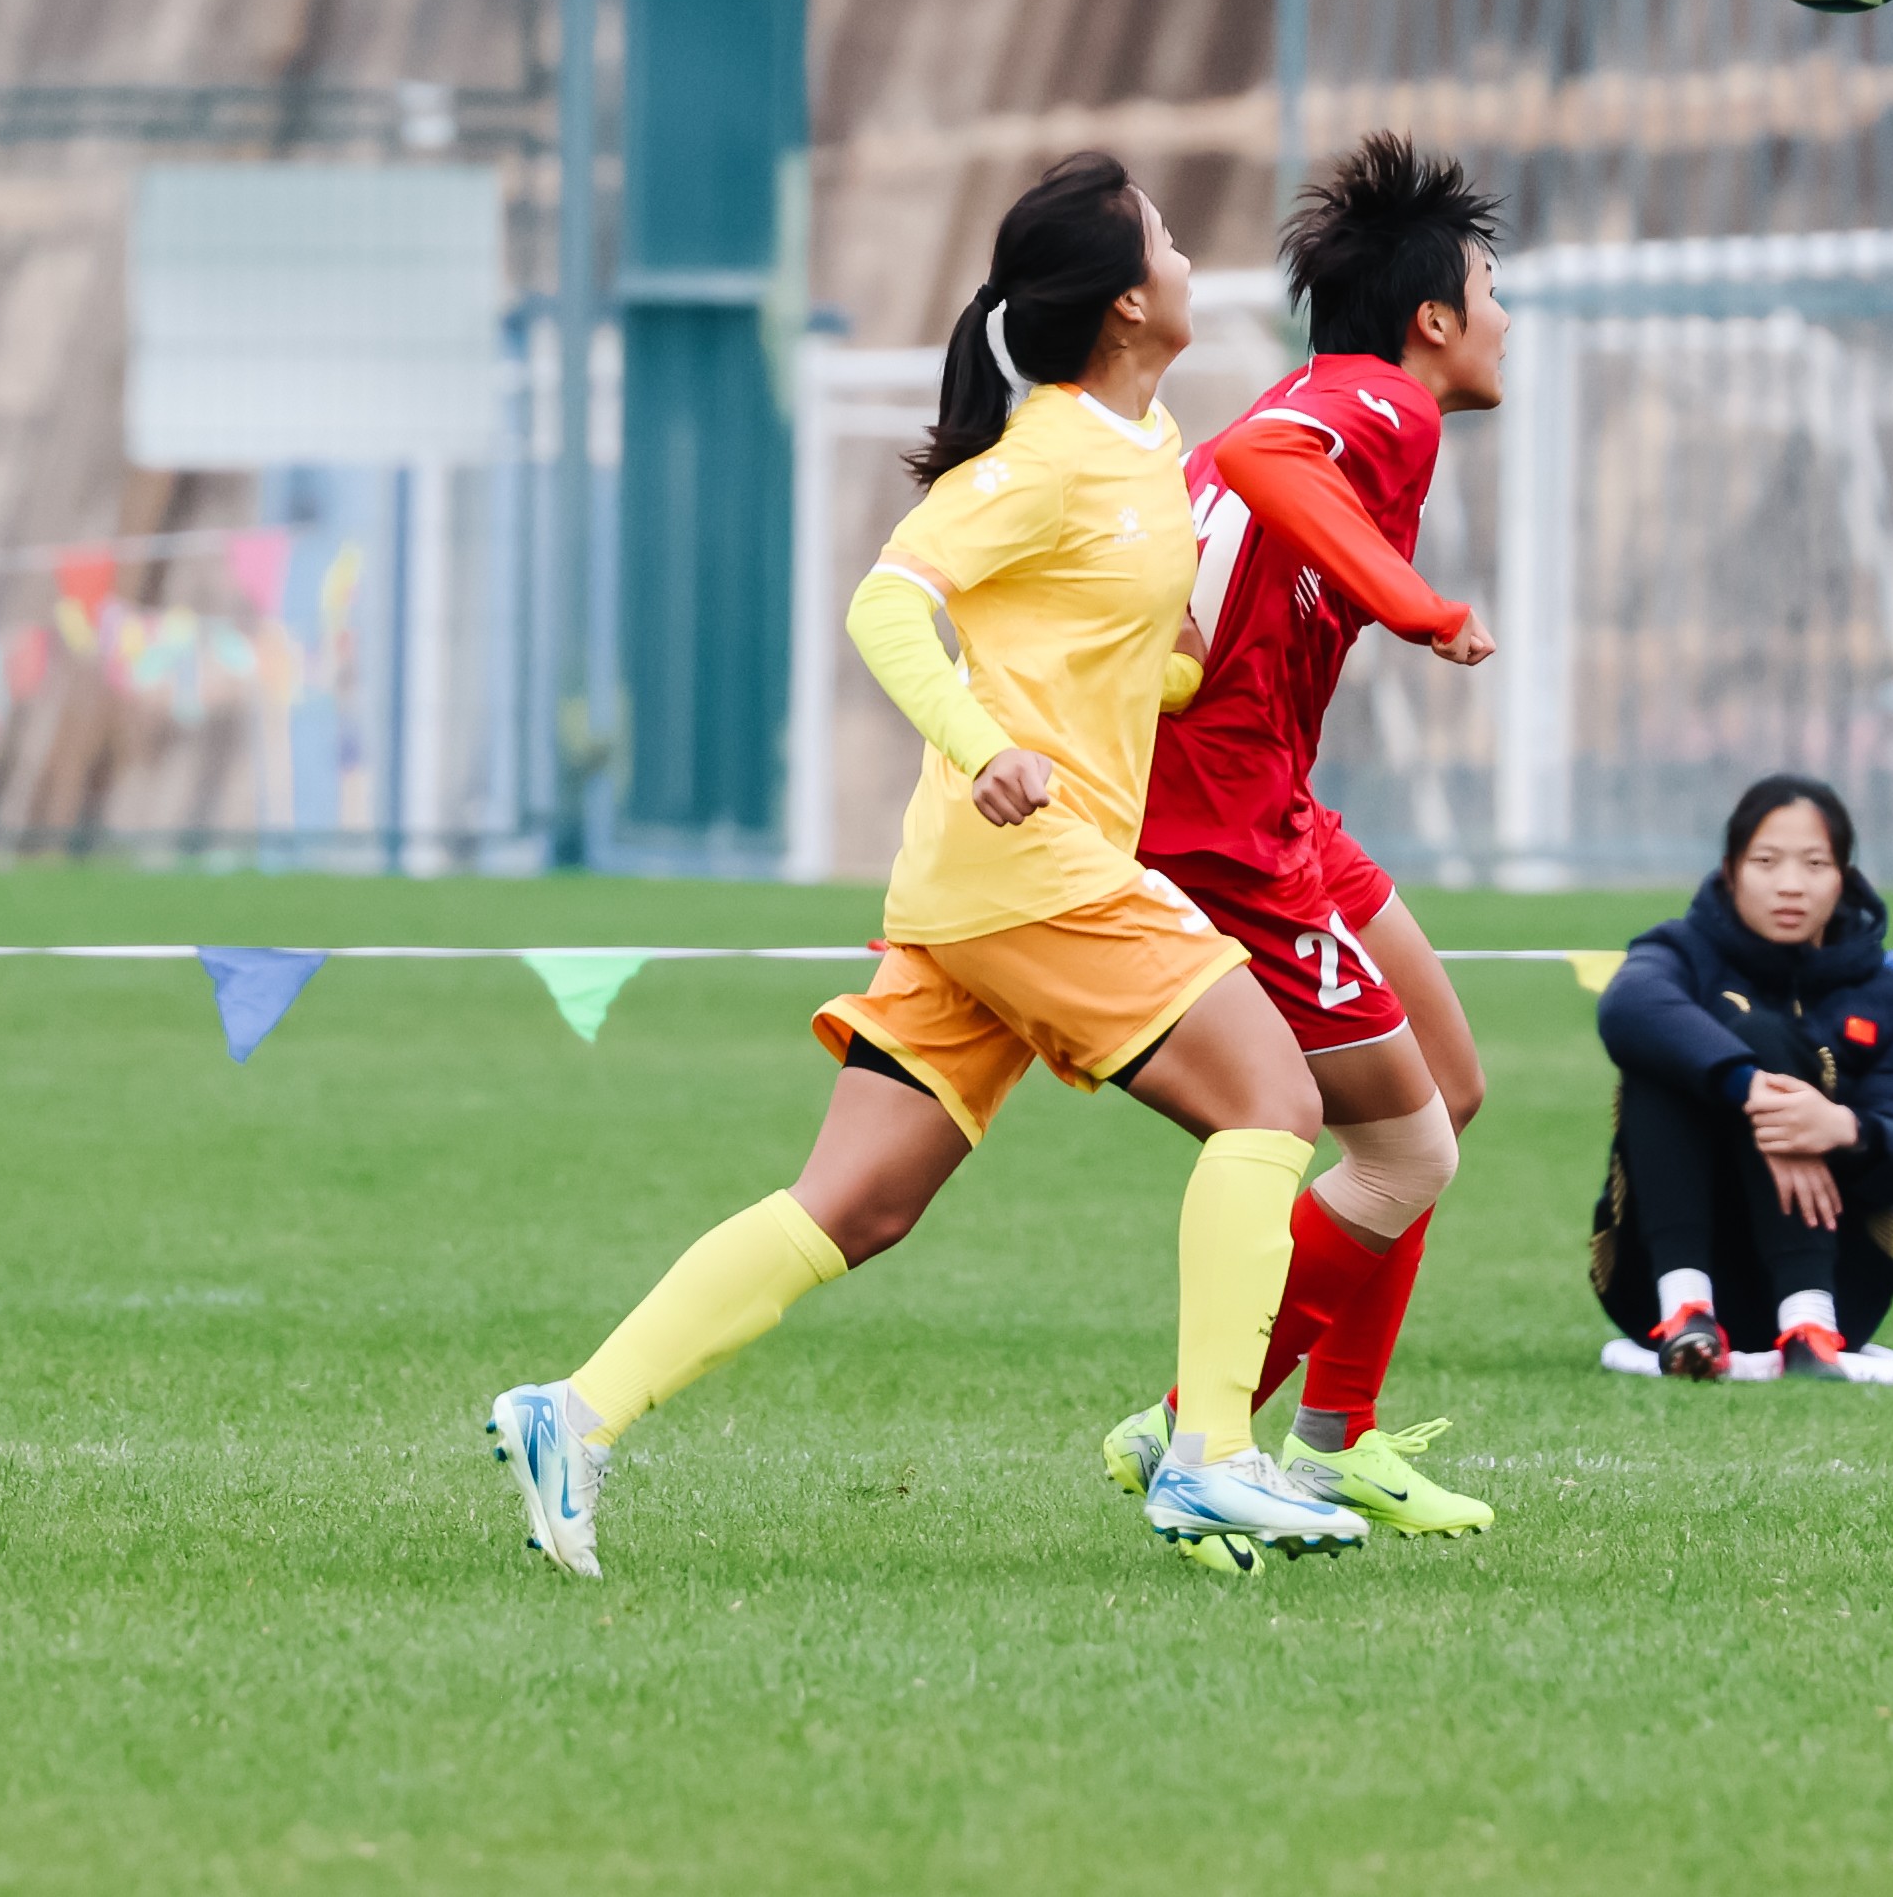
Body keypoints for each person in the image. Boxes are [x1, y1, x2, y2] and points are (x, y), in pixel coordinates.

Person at [487, 153, 1364, 1580]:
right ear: (1127, 300)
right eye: (1165, 238)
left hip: (973, 891)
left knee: (856, 1203)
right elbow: (886, 605)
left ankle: (568, 1413)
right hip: (1033, 866)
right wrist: (983, 740)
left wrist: (1223, 657)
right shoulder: (1045, 453)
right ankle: (1209, 1452)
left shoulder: (1146, 453)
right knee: (1272, 1094)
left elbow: (1121, 655)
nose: (1191, 255)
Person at [1095, 134, 1510, 1534]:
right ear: (1433, 318)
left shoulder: (1333, 390)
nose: (1506, 317)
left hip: (1269, 795)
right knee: (1403, 1152)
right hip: (1218, 825)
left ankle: (1332, 1440)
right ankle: (1188, 1431)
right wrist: (1416, 602)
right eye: (1490, 290)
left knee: (1447, 1088)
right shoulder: (1382, 403)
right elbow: (1260, 456)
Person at [1590, 774, 1893, 1379]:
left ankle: (1810, 1324)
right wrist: (1754, 1090)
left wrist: (1837, 1128)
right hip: (1649, 1283)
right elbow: (1627, 1005)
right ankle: (1686, 1309)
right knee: (1682, 1051)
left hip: (1844, 1283)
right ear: (1730, 870)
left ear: (1845, 877)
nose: (1790, 885)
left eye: (1814, 863)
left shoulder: (1889, 996)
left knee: (1767, 1039)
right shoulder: (1681, 951)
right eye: (1766, 861)